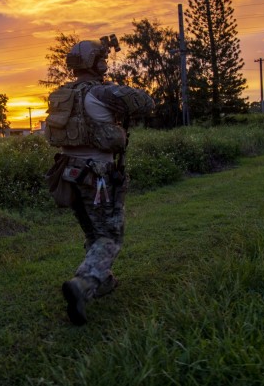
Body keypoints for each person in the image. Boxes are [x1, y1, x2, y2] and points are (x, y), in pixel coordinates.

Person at [45, 36, 154, 325]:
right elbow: (146, 103)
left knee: (94, 232)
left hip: (69, 171)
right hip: (97, 175)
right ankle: (83, 283)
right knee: (110, 236)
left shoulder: (62, 95)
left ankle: (102, 282)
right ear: (97, 62)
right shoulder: (101, 94)